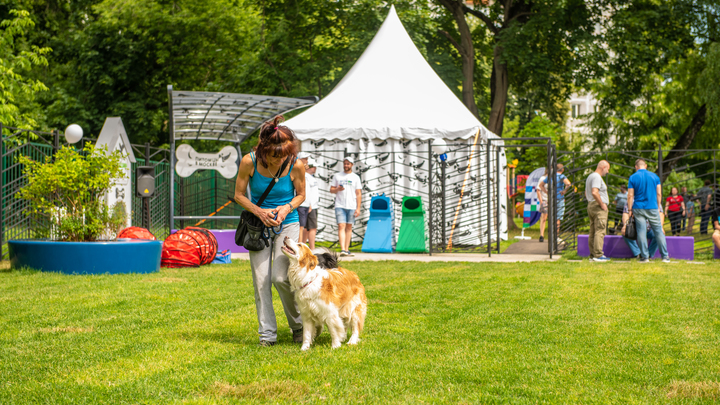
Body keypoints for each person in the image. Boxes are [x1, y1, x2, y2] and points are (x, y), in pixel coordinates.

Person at [233, 115, 305, 347]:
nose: (278, 161)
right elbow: (239, 195)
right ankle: (267, 335)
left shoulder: (296, 164)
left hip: (288, 223)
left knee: (281, 277)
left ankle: (299, 326)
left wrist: (286, 208)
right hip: (259, 227)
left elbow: (301, 195)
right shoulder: (249, 162)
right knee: (261, 280)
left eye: (283, 155)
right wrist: (260, 212)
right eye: (274, 156)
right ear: (263, 150)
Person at [627, 159, 669, 263]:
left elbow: (630, 195)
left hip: (638, 207)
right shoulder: (655, 177)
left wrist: (629, 209)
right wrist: (658, 206)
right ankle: (665, 256)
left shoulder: (633, 177)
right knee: (658, 231)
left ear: (636, 167)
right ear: (645, 165)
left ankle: (645, 257)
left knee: (641, 232)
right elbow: (659, 193)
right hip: (652, 207)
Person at [330, 156, 362, 257]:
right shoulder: (337, 176)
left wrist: (358, 208)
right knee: (341, 225)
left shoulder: (356, 177)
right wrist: (337, 189)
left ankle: (347, 249)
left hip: (351, 205)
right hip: (340, 205)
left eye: (348, 164)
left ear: (352, 165)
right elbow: (331, 189)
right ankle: (343, 249)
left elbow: (358, 193)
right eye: (345, 163)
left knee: (349, 226)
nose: (346, 165)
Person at [538, 163, 572, 244]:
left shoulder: (550, 176)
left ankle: (550, 235)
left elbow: (541, 185)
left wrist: (547, 192)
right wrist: (564, 191)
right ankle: (555, 237)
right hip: (559, 199)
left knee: (550, 218)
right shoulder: (562, 176)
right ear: (562, 170)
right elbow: (568, 184)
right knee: (558, 218)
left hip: (551, 199)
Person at [585, 160, 611, 262]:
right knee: (600, 230)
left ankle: (593, 255)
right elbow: (594, 192)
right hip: (598, 207)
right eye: (607, 169)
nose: (607, 172)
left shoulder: (590, 176)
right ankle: (598, 255)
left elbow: (586, 193)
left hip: (591, 205)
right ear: (603, 167)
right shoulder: (596, 177)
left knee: (593, 231)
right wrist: (602, 204)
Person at [298, 157, 319, 250]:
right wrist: (310, 204)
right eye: (313, 166)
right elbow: (304, 191)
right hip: (306, 205)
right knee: (303, 228)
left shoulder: (310, 177)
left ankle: (305, 247)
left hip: (310, 205)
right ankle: (304, 247)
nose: (314, 168)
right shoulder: (304, 176)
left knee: (306, 228)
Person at [537, 169, 548, 243]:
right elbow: (538, 190)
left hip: (553, 200)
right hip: (545, 200)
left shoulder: (556, 179)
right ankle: (541, 235)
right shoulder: (543, 179)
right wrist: (541, 201)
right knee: (544, 217)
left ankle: (554, 236)